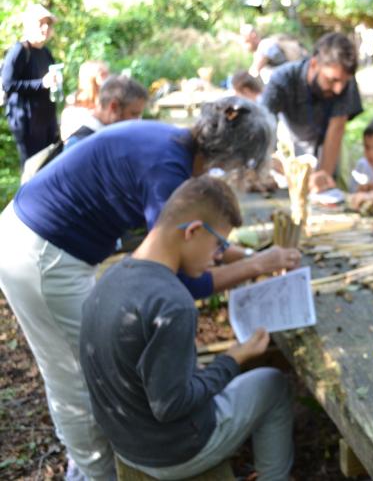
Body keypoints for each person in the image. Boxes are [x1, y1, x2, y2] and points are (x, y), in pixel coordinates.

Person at [0, 96, 302, 480]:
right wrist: (256, 265)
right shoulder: (167, 173)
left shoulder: (172, 144)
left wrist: (244, 254)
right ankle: (94, 473)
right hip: (40, 253)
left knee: (95, 368)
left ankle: (117, 456)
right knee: (74, 375)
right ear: (229, 160)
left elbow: (187, 244)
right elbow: (184, 278)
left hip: (45, 242)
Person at [80, 176, 293, 480]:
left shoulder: (112, 277)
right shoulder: (173, 303)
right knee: (273, 383)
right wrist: (233, 359)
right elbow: (171, 406)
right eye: (219, 244)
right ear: (193, 231)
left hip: (126, 441)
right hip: (174, 452)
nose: (218, 257)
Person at [262, 32, 363, 192]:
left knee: (330, 187)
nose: (339, 89)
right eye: (332, 80)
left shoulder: (344, 82)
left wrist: (323, 176)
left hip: (327, 141)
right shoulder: (282, 79)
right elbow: (263, 126)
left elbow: (336, 129)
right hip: (291, 139)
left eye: (344, 82)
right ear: (314, 64)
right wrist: (278, 166)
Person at [20, 75, 149, 183]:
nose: (138, 121)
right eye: (134, 114)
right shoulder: (81, 145)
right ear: (113, 107)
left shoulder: (103, 136)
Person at [1, 3, 61, 167]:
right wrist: (41, 83)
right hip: (26, 119)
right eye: (40, 23)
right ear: (29, 26)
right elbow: (8, 84)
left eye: (48, 24)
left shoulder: (45, 52)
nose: (45, 28)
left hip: (46, 118)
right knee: (32, 166)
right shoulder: (19, 51)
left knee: (48, 163)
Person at [60, 60, 110, 140]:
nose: (108, 78)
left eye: (107, 74)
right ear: (90, 78)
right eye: (102, 75)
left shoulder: (108, 99)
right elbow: (66, 136)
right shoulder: (73, 102)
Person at [240, 24, 306, 83]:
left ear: (253, 36)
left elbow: (254, 71)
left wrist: (239, 85)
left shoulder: (265, 45)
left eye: (246, 42)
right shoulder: (264, 46)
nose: (245, 46)